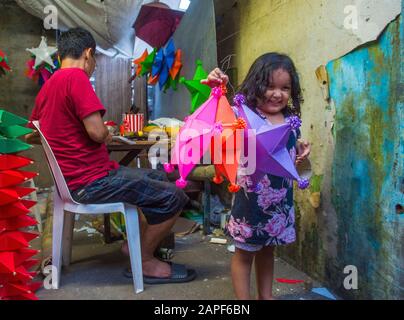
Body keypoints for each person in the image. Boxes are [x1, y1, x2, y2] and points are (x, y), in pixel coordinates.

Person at [26, 27, 196, 284]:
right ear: (88, 54)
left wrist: (63, 134)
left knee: (157, 175)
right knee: (174, 195)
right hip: (90, 183)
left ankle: (138, 246)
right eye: (94, 61)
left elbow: (32, 134)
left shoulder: (49, 86)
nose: (93, 67)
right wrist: (107, 134)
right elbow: (96, 132)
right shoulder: (76, 78)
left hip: (76, 181)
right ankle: (145, 259)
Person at [204, 53, 311, 300]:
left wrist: (300, 151)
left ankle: (266, 297)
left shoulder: (290, 121)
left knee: (267, 250)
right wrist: (215, 89)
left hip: (279, 204)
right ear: (255, 84)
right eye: (270, 86)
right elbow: (217, 119)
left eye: (285, 88)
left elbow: (286, 152)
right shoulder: (242, 116)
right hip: (250, 202)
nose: (277, 93)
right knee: (244, 254)